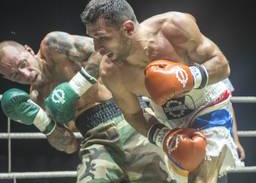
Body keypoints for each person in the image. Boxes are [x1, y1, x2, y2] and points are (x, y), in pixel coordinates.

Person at [76, 0, 245, 182]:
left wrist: (187, 77)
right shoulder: (111, 73)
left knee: (200, 178)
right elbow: (133, 115)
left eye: (102, 38)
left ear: (128, 28)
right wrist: (163, 137)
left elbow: (222, 65)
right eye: (93, 38)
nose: (96, 47)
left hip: (208, 105)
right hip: (169, 123)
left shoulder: (174, 27)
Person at [0, 31, 172, 183]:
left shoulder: (53, 46)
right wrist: (42, 121)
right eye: (15, 75)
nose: (25, 74)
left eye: (23, 64)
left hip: (129, 116)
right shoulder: (36, 99)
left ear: (28, 50)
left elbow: (102, 51)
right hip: (95, 139)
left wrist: (75, 86)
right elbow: (69, 146)